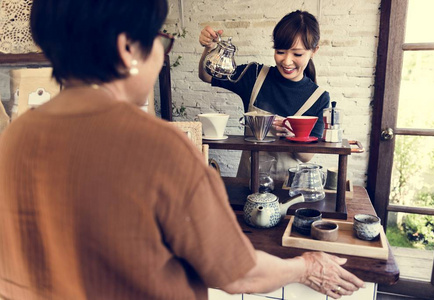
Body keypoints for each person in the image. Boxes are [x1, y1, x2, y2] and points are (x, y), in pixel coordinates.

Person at [0, 1, 363, 299]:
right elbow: (238, 274)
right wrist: (306, 266)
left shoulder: (15, 138)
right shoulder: (160, 147)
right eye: (161, 41)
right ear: (129, 48)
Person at [198, 10, 330, 181]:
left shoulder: (319, 97)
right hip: (247, 185)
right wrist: (209, 49)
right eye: (280, 51)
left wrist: (288, 131)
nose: (287, 61)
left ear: (314, 51)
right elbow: (206, 76)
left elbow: (306, 157)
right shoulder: (254, 75)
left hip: (288, 191)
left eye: (297, 54)